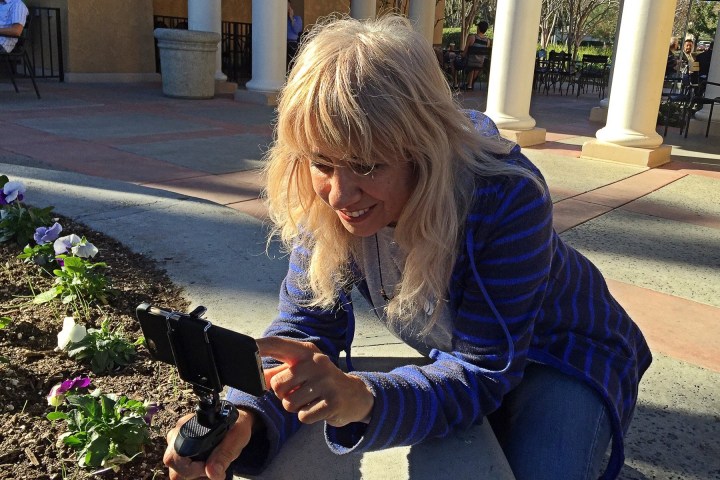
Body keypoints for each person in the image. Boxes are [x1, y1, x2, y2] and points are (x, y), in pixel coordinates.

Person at [163, 15, 652, 480]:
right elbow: (306, 327)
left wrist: (365, 400)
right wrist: (247, 410)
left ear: (424, 149)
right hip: (471, 353)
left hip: (563, 352)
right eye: (322, 163)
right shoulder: (334, 199)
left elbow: (483, 371)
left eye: (368, 165)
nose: (339, 195)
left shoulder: (506, 197)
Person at [462, 20, 492, 90]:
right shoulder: (488, 41)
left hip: (470, 62)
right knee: (476, 67)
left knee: (458, 61)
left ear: (478, 28)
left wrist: (461, 55)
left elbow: (465, 51)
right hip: (480, 63)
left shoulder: (472, 37)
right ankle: (470, 84)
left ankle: (466, 84)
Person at [286, 1, 302, 71]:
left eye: (288, 6)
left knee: (294, 53)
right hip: (282, 42)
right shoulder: (281, 20)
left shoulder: (297, 19)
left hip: (292, 42)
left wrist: (292, 18)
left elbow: (297, 31)